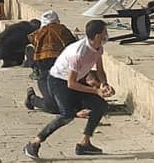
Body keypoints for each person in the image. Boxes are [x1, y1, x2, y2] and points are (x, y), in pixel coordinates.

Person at [23, 19, 115, 159]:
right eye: (104, 33)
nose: (106, 35)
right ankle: (34, 143)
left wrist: (104, 84)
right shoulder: (78, 53)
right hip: (58, 81)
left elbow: (100, 69)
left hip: (75, 80)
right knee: (67, 115)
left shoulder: (98, 47)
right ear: (97, 36)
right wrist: (96, 91)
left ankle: (85, 143)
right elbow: (71, 84)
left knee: (100, 105)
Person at [25, 10, 77, 113]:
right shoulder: (63, 31)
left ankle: (33, 100)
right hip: (47, 76)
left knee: (67, 104)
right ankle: (32, 99)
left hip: (65, 76)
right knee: (55, 106)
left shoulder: (36, 36)